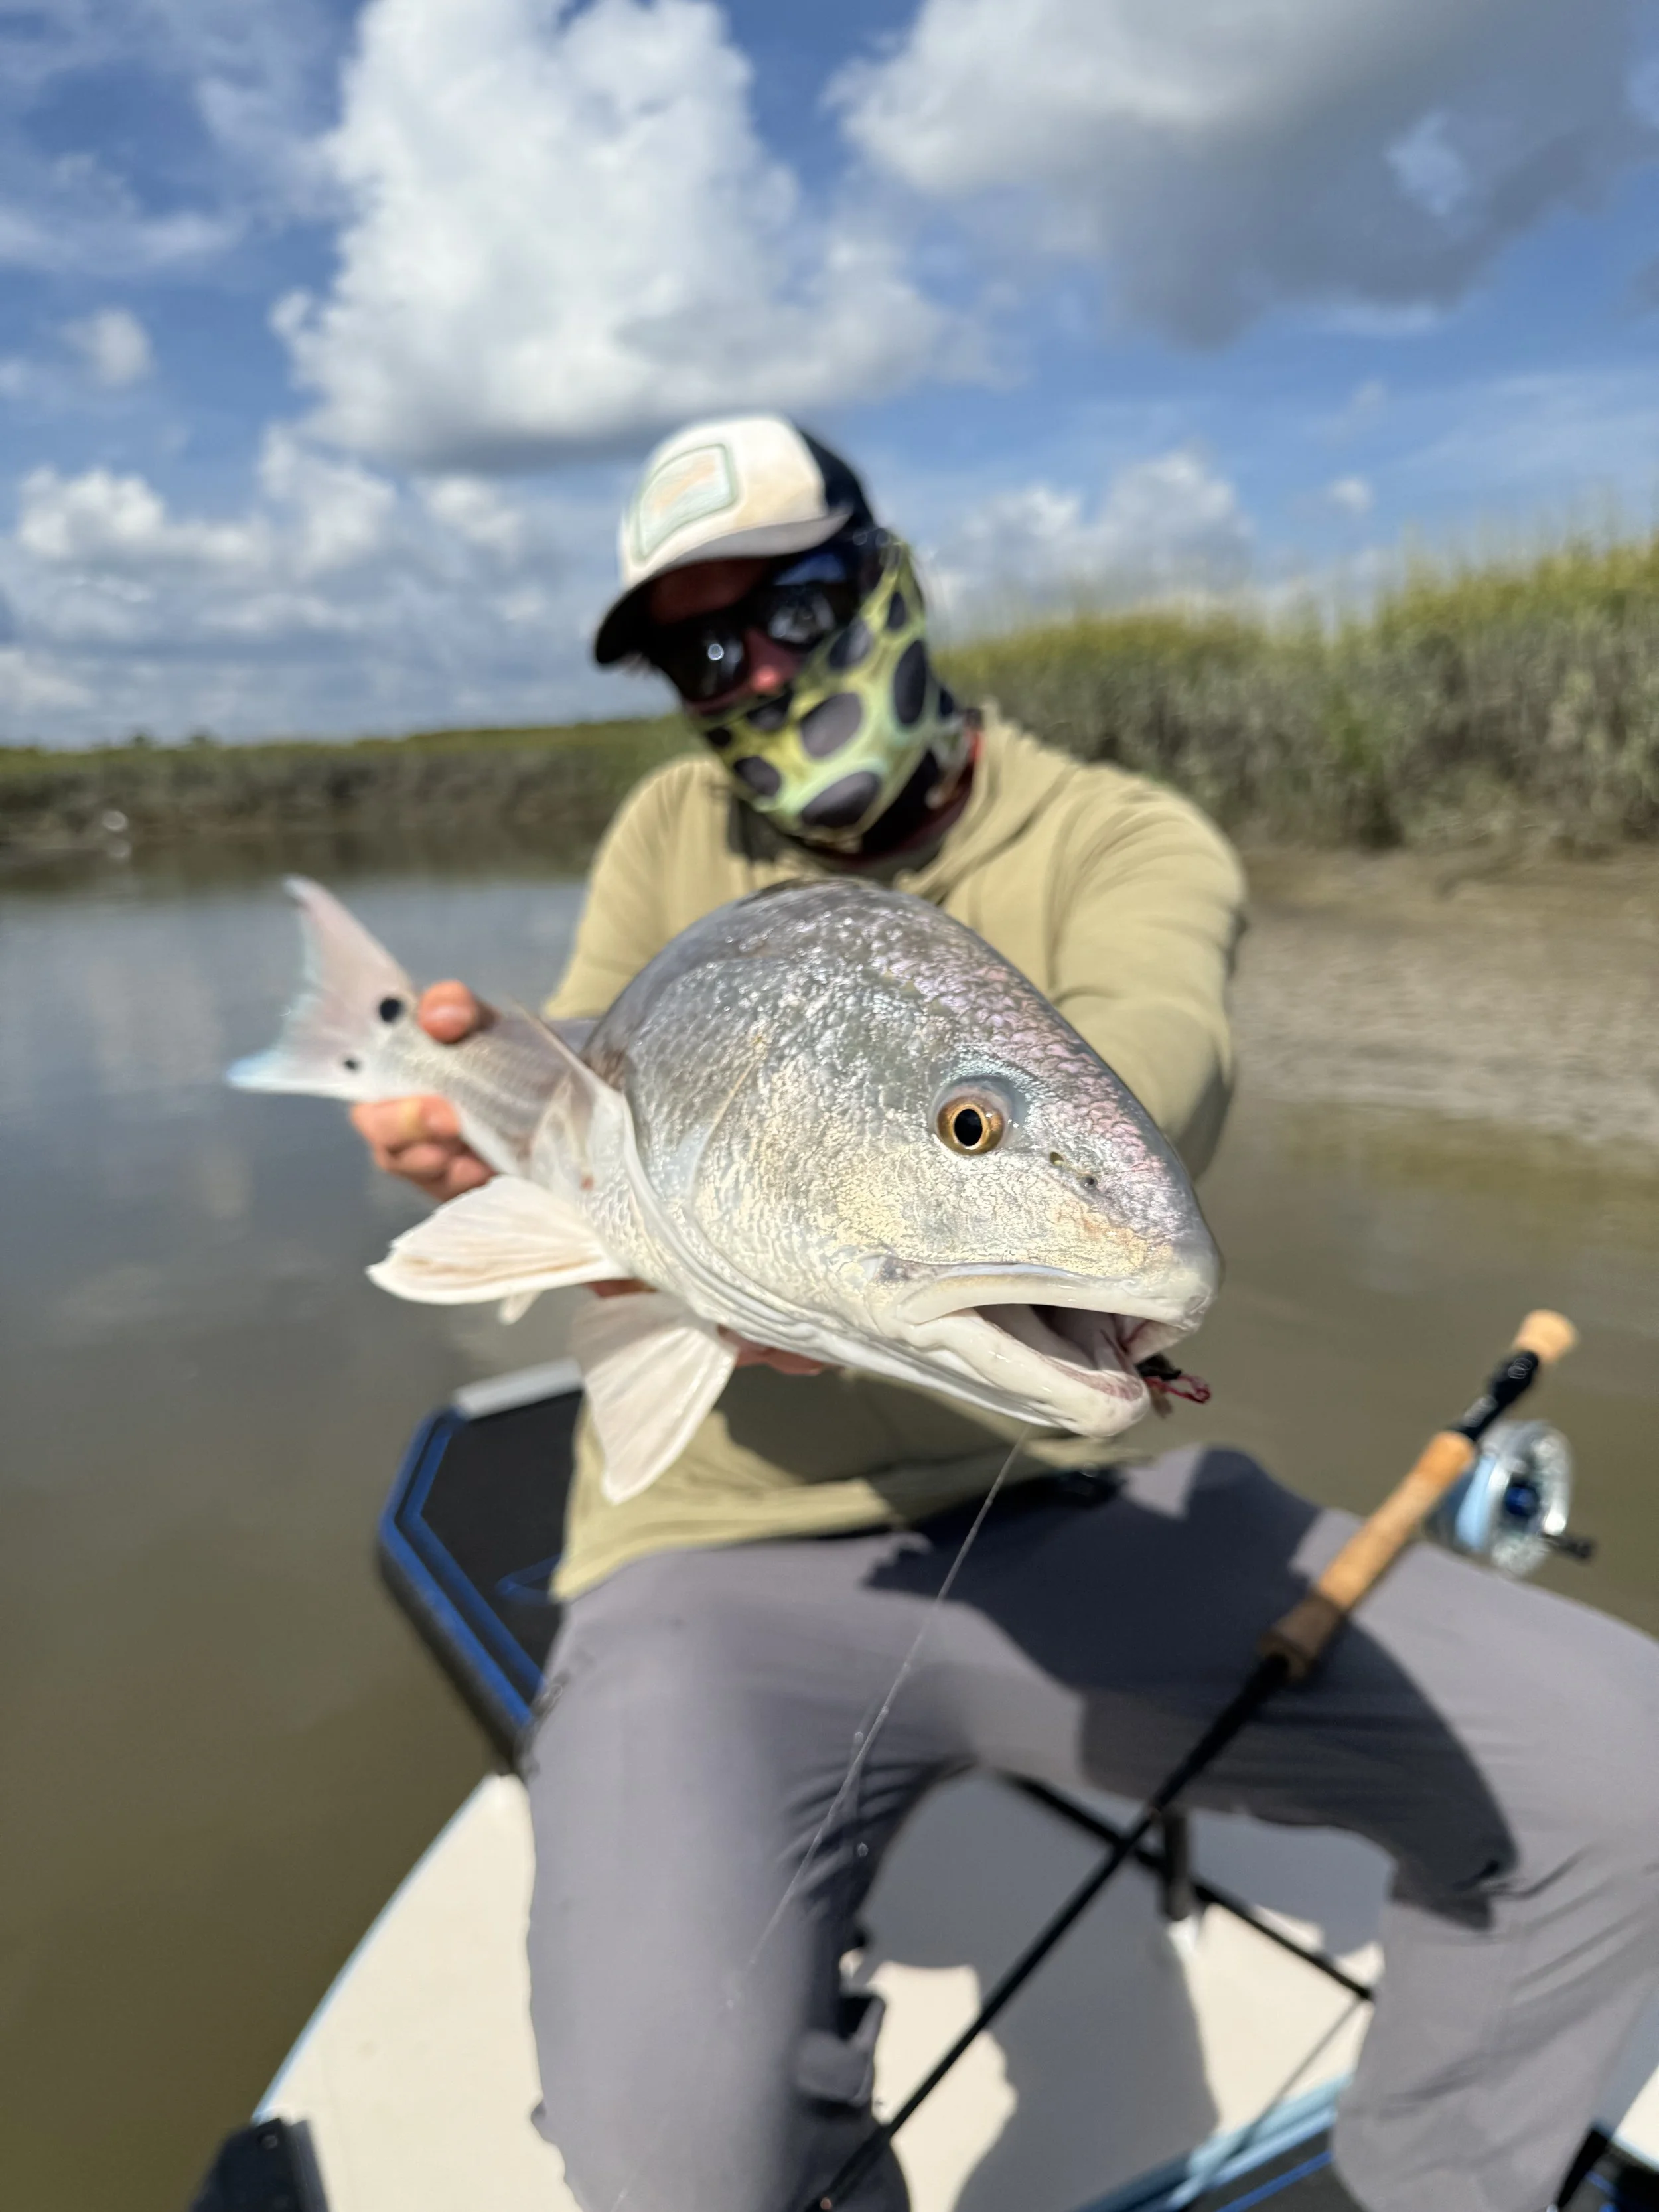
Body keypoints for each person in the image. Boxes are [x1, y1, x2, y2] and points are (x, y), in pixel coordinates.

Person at [353, 417, 1659, 2212]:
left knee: (1624, 1768)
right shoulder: (673, 830)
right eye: (689, 652)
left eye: (780, 616)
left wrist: (924, 1175)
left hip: (1050, 1497)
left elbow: (1153, 1066)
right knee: (671, 2153)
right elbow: (583, 1097)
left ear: (879, 579)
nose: (740, 680)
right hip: (704, 1541)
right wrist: (474, 1127)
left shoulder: (1119, 834)